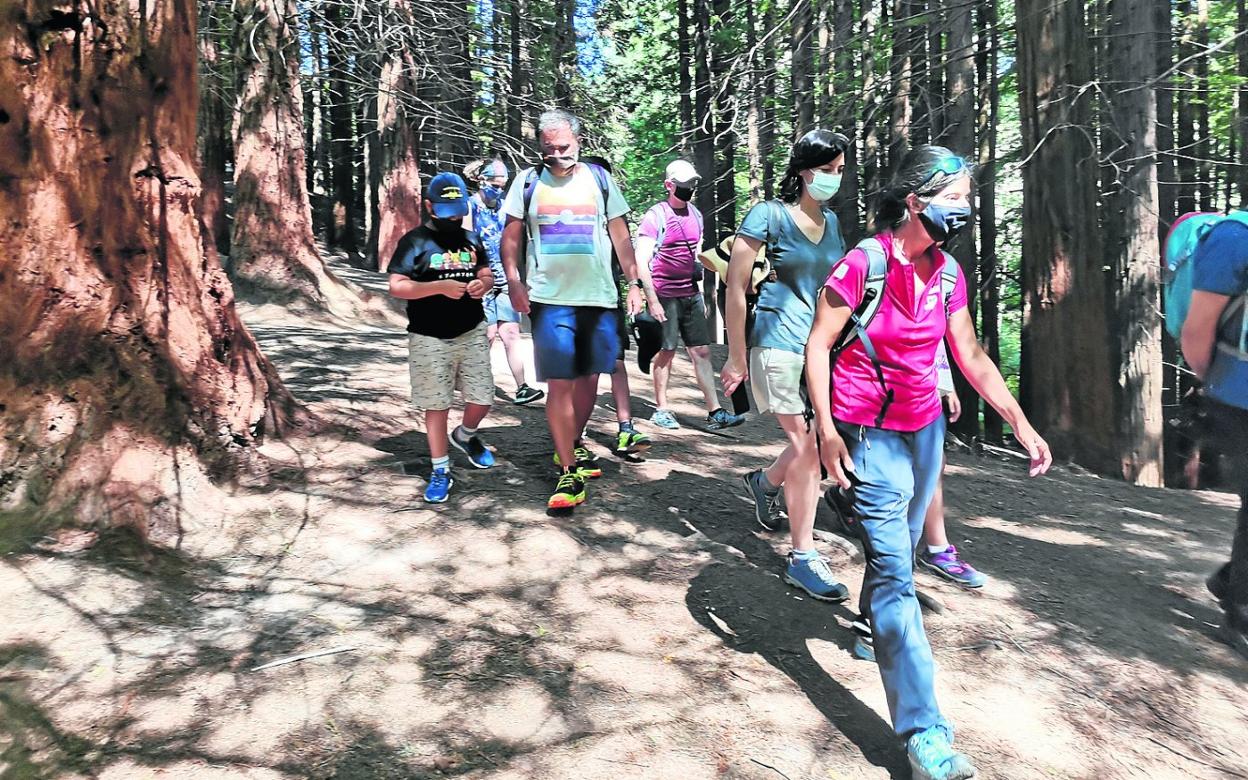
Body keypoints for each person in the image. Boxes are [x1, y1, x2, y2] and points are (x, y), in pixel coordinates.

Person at [804, 146, 1052, 779]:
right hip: (866, 432)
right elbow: (819, 343)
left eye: (968, 199)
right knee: (896, 575)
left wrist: (1019, 421)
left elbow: (968, 354)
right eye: (954, 198)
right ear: (915, 202)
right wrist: (828, 430)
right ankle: (925, 734)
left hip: (925, 434)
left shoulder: (946, 274)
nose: (964, 210)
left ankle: (870, 625)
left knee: (900, 556)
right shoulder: (865, 261)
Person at [721, 129, 852, 602]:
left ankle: (764, 482)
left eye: (839, 171)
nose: (834, 179)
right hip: (775, 341)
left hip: (820, 350)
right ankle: (802, 557)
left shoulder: (834, 224)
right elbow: (735, 288)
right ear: (802, 170)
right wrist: (737, 354)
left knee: (811, 444)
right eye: (826, 170)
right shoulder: (769, 215)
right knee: (809, 445)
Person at [500, 110, 651, 512]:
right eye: (548, 149)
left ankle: (570, 441)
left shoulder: (599, 181)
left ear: (578, 142)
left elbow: (621, 236)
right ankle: (568, 468)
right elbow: (511, 237)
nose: (556, 155)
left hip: (599, 297)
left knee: (589, 380)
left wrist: (634, 282)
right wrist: (514, 282)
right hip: (549, 298)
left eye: (563, 147)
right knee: (560, 383)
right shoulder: (527, 183)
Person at [388, 172, 499, 504]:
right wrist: (437, 287)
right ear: (429, 207)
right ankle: (440, 469)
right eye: (445, 210)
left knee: (483, 397)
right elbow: (396, 285)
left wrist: (485, 283)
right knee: (437, 404)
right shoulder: (415, 242)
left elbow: (485, 272)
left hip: (472, 330)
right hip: (428, 336)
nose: (453, 216)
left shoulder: (471, 239)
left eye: (458, 210)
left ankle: (465, 435)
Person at [1181, 213, 1248, 659]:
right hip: (1237, 396)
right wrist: (1214, 386)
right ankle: (1240, 614)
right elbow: (1196, 331)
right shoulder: (1234, 238)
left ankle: (1232, 581)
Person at [637, 160, 744, 431]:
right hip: (664, 294)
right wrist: (651, 299)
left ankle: (715, 412)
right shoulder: (655, 216)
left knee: (702, 351)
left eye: (692, 184)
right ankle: (661, 409)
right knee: (668, 351)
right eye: (684, 185)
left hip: (689, 293)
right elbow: (641, 260)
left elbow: (695, 255)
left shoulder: (696, 215)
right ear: (669, 185)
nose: (689, 189)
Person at [580, 154, 658, 460]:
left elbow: (628, 255)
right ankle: (574, 434)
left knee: (614, 363)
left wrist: (634, 287)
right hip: (572, 302)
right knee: (583, 371)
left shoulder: (613, 218)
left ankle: (626, 429)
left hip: (607, 299)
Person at [464, 158, 544, 406]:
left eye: (503, 185)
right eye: (495, 185)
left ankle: (522, 387)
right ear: (481, 181)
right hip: (482, 277)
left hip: (505, 278)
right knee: (487, 333)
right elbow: (465, 241)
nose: (499, 190)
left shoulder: (505, 207)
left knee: (510, 332)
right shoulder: (470, 206)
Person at [915, 343, 987, 589]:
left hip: (925, 382)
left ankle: (937, 548)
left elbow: (934, 336)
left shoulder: (942, 303)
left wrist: (946, 385)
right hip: (873, 381)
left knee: (934, 462)